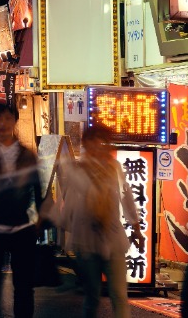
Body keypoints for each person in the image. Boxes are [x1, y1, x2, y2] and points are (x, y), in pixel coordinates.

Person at [60, 125, 143, 318]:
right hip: (86, 239)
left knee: (119, 295)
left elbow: (127, 196)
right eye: (93, 140)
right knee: (92, 297)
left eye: (103, 141)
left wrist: (136, 228)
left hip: (113, 238)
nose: (99, 145)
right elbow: (70, 201)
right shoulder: (77, 169)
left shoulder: (114, 167)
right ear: (86, 144)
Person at [0, 102, 42, 318]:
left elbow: (37, 188)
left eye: (7, 118)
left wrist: (41, 218)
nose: (2, 123)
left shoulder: (27, 154)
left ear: (14, 121)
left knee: (24, 285)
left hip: (23, 227)